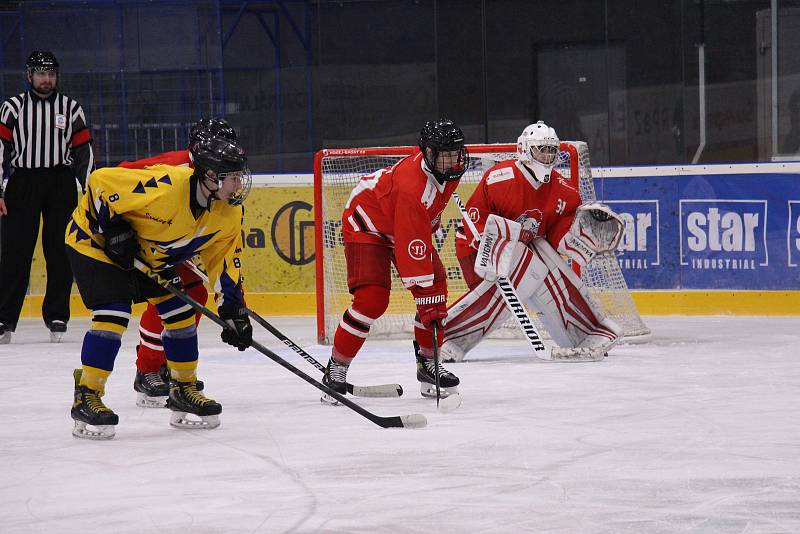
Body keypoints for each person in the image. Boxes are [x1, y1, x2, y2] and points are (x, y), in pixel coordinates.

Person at [65, 134, 253, 440]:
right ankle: (87, 393)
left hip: (146, 253)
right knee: (113, 313)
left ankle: (183, 387)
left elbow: (224, 263)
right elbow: (100, 182)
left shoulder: (228, 213)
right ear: (208, 176)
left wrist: (233, 311)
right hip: (93, 243)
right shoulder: (166, 185)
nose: (238, 184)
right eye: (231, 177)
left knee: (180, 311)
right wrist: (113, 230)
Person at [441, 121, 624, 362]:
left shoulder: (564, 190)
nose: (547, 156)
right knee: (523, 255)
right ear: (524, 150)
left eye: (551, 150)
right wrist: (493, 247)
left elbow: (558, 236)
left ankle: (587, 332)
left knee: (541, 253)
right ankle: (448, 337)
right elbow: (476, 226)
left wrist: (580, 237)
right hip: (477, 253)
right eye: (541, 149)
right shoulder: (500, 179)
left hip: (522, 256)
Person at [322, 118, 467, 402]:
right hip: (367, 222)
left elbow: (422, 223)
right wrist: (425, 299)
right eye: (445, 154)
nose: (452, 160)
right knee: (372, 300)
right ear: (428, 153)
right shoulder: (411, 188)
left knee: (436, 289)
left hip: (400, 221)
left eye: (455, 153)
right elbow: (411, 248)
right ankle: (336, 368)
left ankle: (427, 365)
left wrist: (430, 300)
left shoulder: (450, 169)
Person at [118, 117, 238, 408]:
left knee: (194, 293)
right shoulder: (175, 168)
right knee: (171, 293)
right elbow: (121, 174)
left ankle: (172, 365)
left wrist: (234, 303)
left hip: (171, 242)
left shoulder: (219, 178)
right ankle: (147, 369)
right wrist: (118, 231)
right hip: (140, 239)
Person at [0, 50, 94, 344]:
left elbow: (83, 152)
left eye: (51, 74)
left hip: (60, 182)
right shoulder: (12, 108)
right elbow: (0, 149)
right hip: (23, 181)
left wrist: (90, 189)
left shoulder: (71, 109)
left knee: (60, 251)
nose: (46, 79)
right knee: (14, 252)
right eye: (41, 73)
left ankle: (57, 314)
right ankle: (4, 318)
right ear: (29, 76)